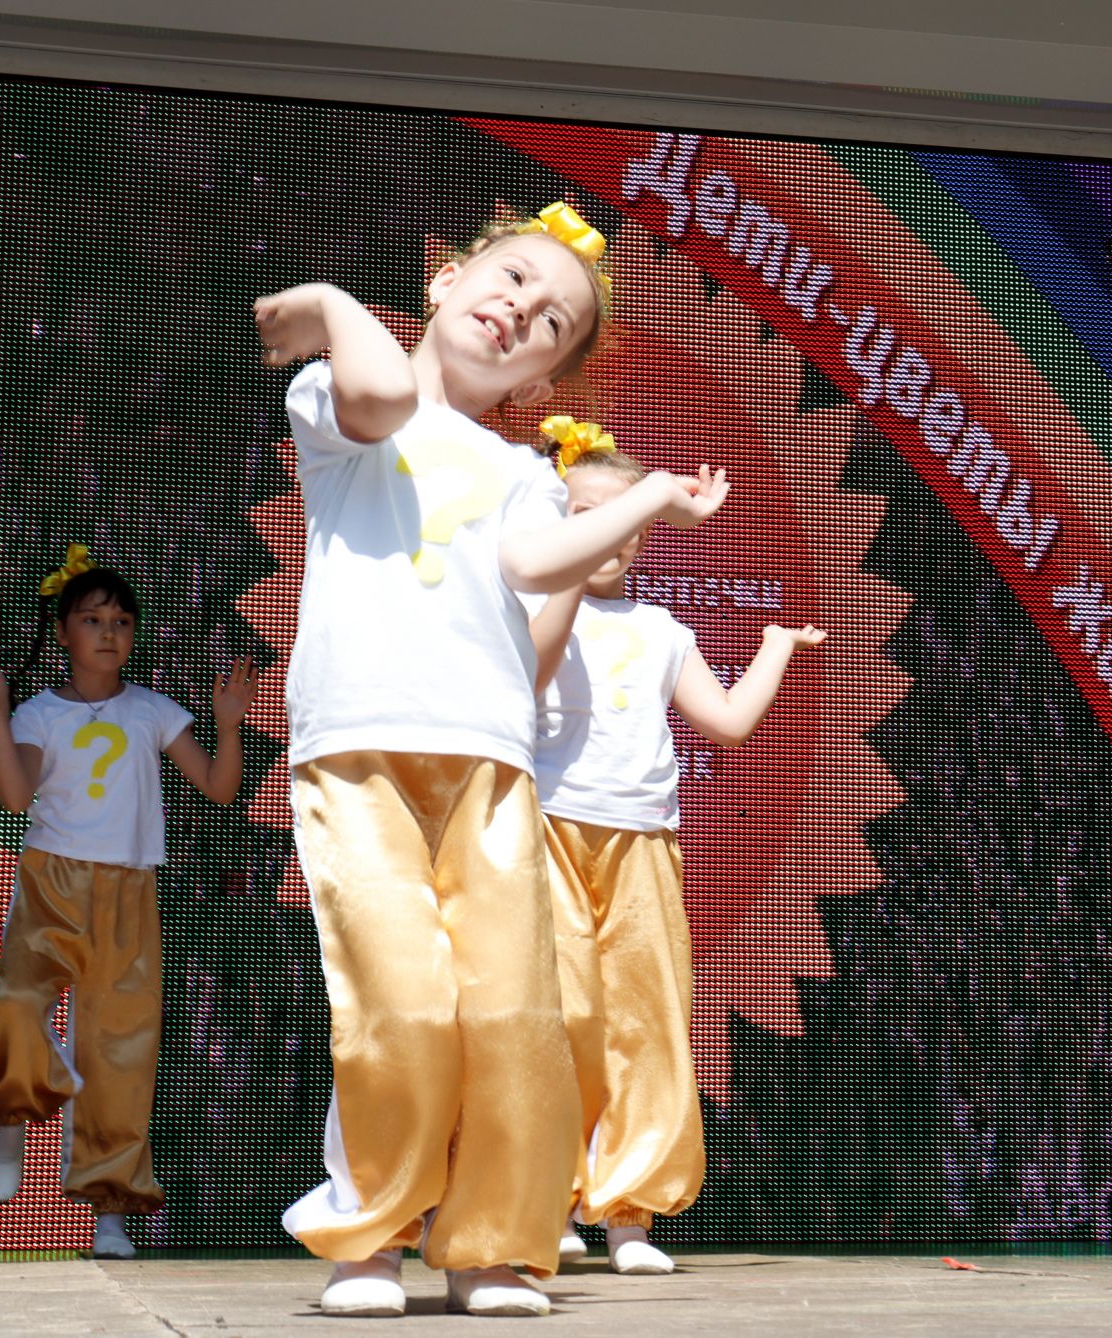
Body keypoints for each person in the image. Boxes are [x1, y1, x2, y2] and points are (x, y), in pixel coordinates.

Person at [253, 203, 729, 1318]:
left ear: (541, 379)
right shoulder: (338, 399)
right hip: (361, 751)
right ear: (447, 279)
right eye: (512, 279)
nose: (522, 311)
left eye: (553, 323)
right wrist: (328, 305)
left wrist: (652, 498)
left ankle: (492, 1247)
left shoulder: (519, 469)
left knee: (512, 1015)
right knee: (402, 1003)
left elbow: (532, 557)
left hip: (491, 763)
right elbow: (378, 395)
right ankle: (368, 1238)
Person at [524, 427, 823, 1276]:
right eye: (583, 516)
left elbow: (726, 723)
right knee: (557, 1016)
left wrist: (770, 649)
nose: (604, 534)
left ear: (645, 534)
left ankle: (627, 1212)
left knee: (644, 1021)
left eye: (622, 519)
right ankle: (540, 1198)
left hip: (644, 842)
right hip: (544, 830)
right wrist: (561, 588)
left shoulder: (663, 630)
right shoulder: (532, 611)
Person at [0, 550, 253, 1260]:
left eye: (121, 620)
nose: (109, 632)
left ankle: (109, 1208)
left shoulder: (152, 710)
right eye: (92, 619)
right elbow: (17, 796)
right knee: (21, 1005)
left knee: (118, 1052)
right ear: (64, 633)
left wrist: (229, 724)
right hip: (52, 879)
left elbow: (217, 786)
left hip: (129, 889)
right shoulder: (38, 712)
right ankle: (12, 1110)